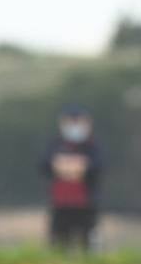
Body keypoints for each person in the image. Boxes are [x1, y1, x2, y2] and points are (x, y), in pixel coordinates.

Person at [41, 105, 101, 251]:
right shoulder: (55, 144)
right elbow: (45, 165)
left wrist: (66, 167)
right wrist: (76, 168)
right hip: (60, 203)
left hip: (85, 203)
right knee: (58, 243)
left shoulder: (92, 146)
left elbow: (96, 167)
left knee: (87, 242)